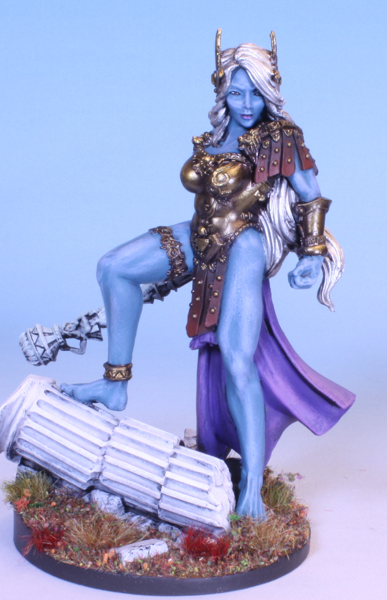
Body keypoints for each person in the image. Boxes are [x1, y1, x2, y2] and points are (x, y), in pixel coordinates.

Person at [60, 31, 355, 518]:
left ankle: (252, 485)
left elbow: (310, 195)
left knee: (238, 359)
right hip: (201, 235)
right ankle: (115, 383)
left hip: (244, 245)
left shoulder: (280, 137)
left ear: (270, 89)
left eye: (256, 93)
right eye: (237, 93)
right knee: (114, 268)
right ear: (222, 90)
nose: (247, 104)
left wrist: (311, 255)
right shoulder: (214, 137)